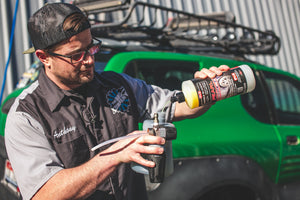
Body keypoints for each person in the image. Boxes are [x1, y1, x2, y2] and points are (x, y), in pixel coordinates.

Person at [4, 3, 229, 200]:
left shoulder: (118, 85)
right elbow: (44, 194)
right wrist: (114, 154)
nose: (90, 59)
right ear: (44, 58)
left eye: (91, 47)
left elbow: (178, 107)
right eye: (76, 55)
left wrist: (207, 91)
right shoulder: (27, 116)